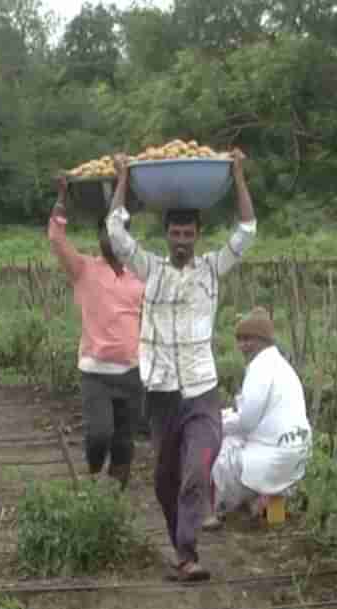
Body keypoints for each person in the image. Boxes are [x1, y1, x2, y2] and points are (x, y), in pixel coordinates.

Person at [106, 149, 257, 583]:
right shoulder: (149, 269)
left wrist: (239, 176)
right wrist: (122, 180)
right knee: (164, 479)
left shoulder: (211, 270)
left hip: (202, 392)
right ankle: (179, 547)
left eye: (188, 233)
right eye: (175, 232)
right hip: (160, 394)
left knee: (196, 470)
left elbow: (246, 230)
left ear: (197, 235)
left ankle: (188, 554)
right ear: (166, 234)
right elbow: (116, 231)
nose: (181, 240)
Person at [48, 176, 146, 488]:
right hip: (96, 372)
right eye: (104, 232)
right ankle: (91, 482)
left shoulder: (140, 274)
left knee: (123, 444)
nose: (109, 238)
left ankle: (114, 501)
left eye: (114, 232)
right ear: (99, 237)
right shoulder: (85, 269)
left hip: (132, 372)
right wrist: (62, 197)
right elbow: (56, 239)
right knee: (99, 435)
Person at [204, 307, 312, 530]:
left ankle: (215, 512)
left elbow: (245, 422)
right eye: (239, 339)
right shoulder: (280, 365)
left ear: (263, 340)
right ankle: (271, 514)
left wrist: (215, 424)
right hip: (297, 452)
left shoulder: (260, 369)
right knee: (247, 445)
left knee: (217, 448)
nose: (242, 345)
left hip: (275, 456)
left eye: (248, 339)